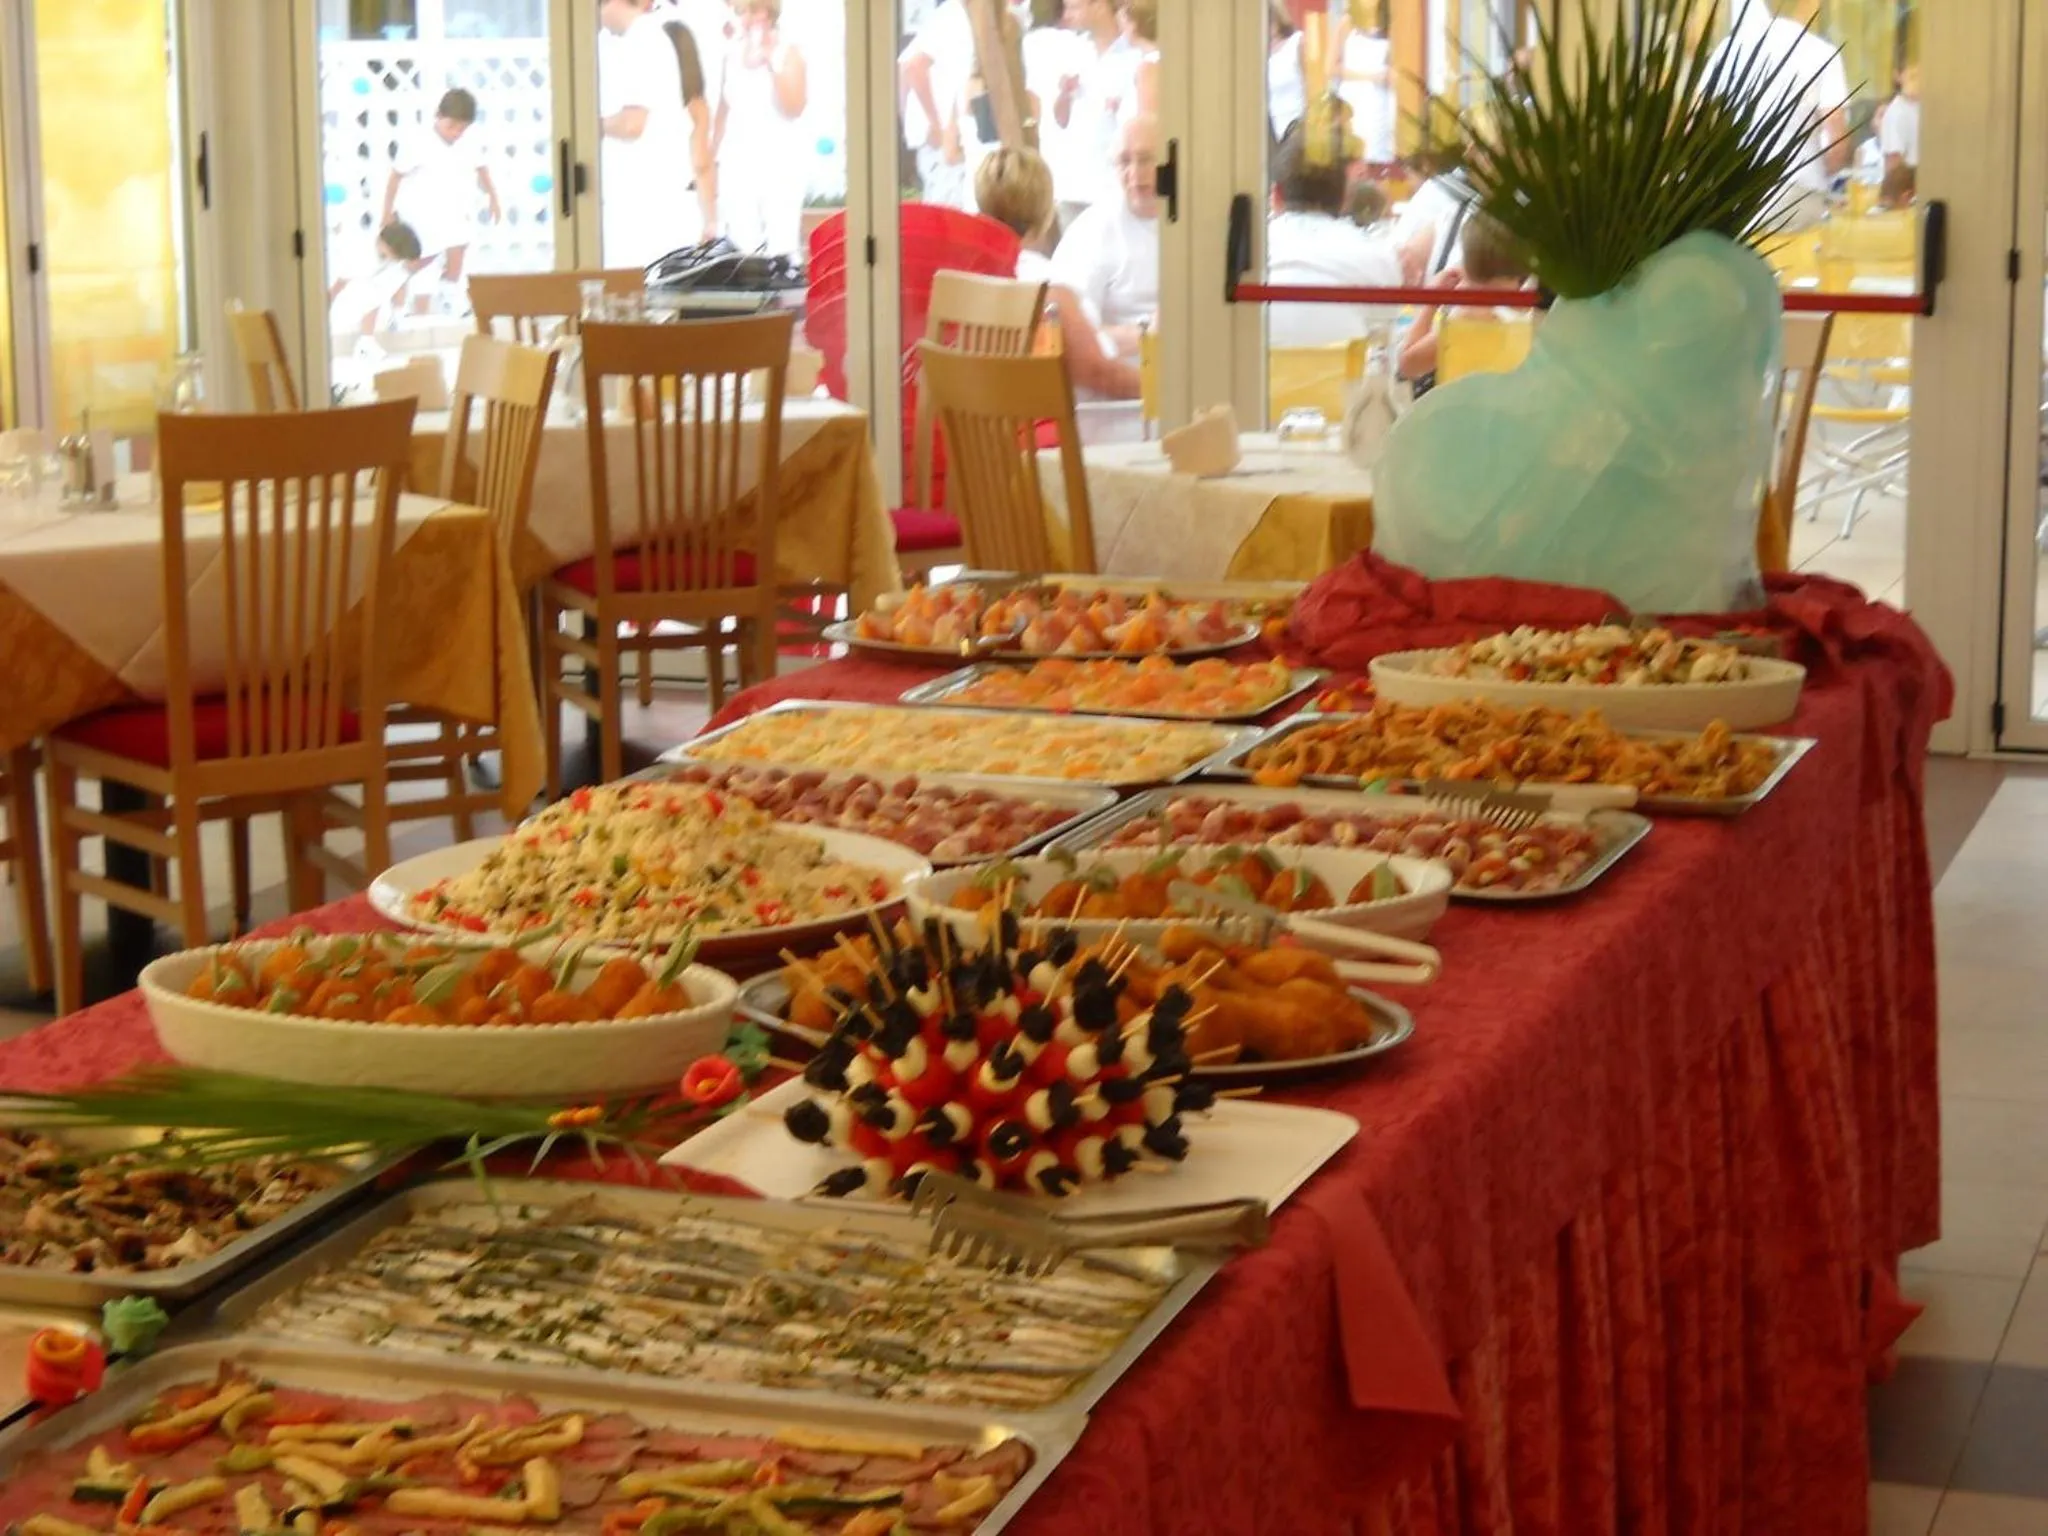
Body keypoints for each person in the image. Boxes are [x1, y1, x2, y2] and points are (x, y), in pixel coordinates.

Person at [976, 145, 1137, 399]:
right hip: (1059, 433)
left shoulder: (965, 282)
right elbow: (1101, 375)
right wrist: (1172, 385)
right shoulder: (1049, 292)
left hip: (985, 432)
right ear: (1046, 215)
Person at [1708, 0, 1849, 231]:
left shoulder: (1727, 50)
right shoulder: (1820, 52)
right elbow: (1836, 136)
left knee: (1746, 264)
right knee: (1799, 264)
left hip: (1737, 193)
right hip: (1799, 189)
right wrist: (1829, 171)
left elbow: (1695, 123)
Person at [1265, 124, 1404, 349]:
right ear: (1345, 198)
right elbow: (1384, 341)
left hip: (1262, 382)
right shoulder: (1377, 256)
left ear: (1276, 196)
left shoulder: (1249, 256)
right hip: (1344, 381)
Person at [1049, 113, 1159, 355]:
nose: (1135, 173)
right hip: (1125, 379)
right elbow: (1069, 333)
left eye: (1146, 159)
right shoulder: (1091, 231)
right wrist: (1146, 331)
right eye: (1124, 162)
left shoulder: (1196, 222)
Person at [598, 0, 697, 268]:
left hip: (645, 201)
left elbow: (632, 124)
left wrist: (591, 126)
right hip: (647, 198)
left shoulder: (641, 41)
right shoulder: (638, 39)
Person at [1397, 211, 1532, 389]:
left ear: (1467, 259)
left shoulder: (1470, 317)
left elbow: (1408, 365)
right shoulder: (1528, 310)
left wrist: (1432, 300)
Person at [379, 88, 498, 289]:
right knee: (414, 262)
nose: (456, 133)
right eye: (451, 126)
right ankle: (396, 296)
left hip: (455, 211)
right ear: (438, 115)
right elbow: (395, 176)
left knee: (455, 266)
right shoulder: (418, 140)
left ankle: (445, 297)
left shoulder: (469, 142)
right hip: (421, 213)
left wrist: (494, 198)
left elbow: (482, 168)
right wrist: (387, 212)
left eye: (462, 128)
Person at [718, 0, 809, 253]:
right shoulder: (731, 53)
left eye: (755, 10)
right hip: (737, 160)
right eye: (741, 11)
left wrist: (770, 62)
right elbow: (723, 110)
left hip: (778, 161)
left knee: (781, 242)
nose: (748, 18)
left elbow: (794, 106)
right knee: (741, 242)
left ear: (770, 14)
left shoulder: (789, 53)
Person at [1050, 0, 1136, 219]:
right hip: (1072, 186)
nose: (1068, 14)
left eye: (1075, 7)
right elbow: (1060, 119)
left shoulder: (1134, 53)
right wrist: (1064, 95)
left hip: (1112, 188)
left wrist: (1119, 108)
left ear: (1098, 5)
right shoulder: (1073, 50)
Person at [899, 0, 976, 208]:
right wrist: (934, 124)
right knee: (948, 216)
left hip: (952, 140)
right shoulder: (953, 16)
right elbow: (912, 68)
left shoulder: (958, 16)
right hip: (942, 144)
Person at [661, 9, 722, 238]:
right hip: (683, 206)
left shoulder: (648, 105)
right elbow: (701, 164)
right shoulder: (697, 107)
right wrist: (711, 220)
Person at [329, 221, 424, 339]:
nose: (399, 260)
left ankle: (396, 316)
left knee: (394, 278)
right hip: (345, 291)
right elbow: (338, 285)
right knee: (374, 291)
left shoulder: (388, 253)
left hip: (369, 282)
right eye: (399, 257)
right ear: (390, 249)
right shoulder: (359, 256)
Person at [1878, 61, 1920, 205]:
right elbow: (1894, 163)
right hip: (1909, 196)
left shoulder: (1924, 108)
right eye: (1913, 76)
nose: (1919, 82)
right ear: (1898, 76)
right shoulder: (1896, 112)